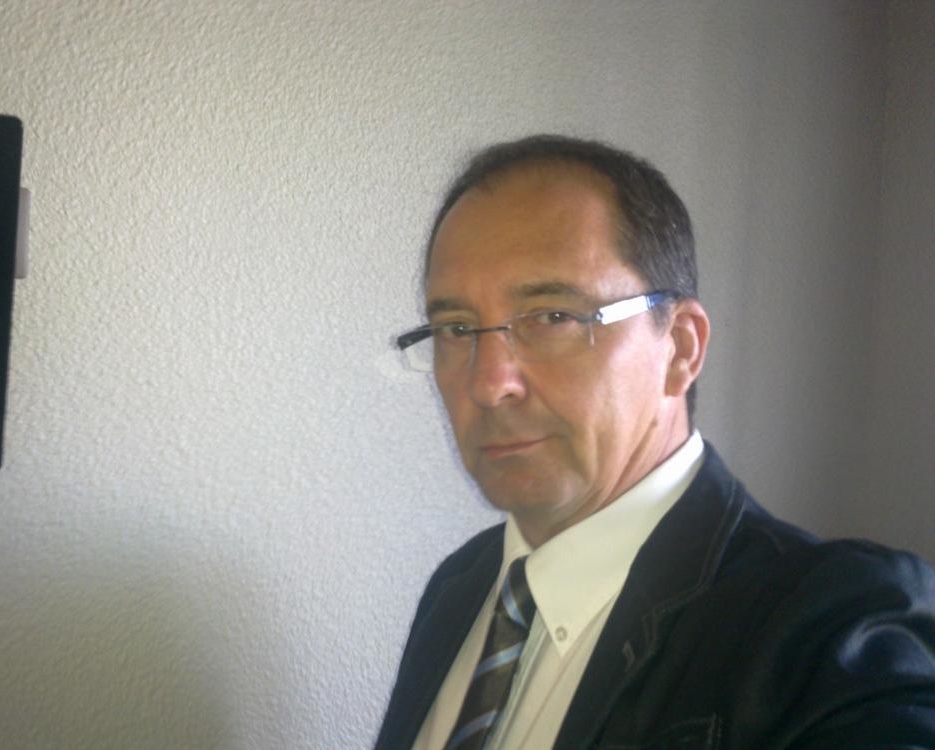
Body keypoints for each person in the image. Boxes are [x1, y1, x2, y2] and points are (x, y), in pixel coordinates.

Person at [375, 135, 935, 750]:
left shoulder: (832, 629)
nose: (488, 384)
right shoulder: (459, 586)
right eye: (456, 328)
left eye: (554, 317)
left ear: (680, 348)